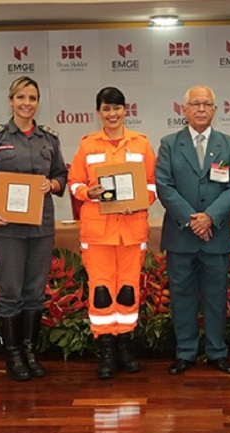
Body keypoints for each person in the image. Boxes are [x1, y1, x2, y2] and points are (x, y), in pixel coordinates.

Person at [0, 76, 67, 382]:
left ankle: (29, 351)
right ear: (11, 101)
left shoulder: (49, 139)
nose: (27, 103)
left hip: (40, 228)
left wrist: (50, 184)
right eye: (21, 97)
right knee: (10, 292)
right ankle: (12, 356)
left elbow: (61, 177)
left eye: (33, 98)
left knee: (35, 293)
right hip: (6, 228)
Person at [67, 87, 157, 379]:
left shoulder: (141, 144)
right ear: (98, 112)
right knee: (102, 291)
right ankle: (106, 349)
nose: (112, 114)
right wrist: (87, 192)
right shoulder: (87, 144)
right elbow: (73, 183)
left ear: (125, 110)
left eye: (117, 108)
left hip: (131, 230)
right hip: (98, 232)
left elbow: (153, 184)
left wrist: (141, 201)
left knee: (128, 290)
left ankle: (125, 346)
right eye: (106, 109)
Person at [156, 85, 230, 375]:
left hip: (215, 235)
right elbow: (164, 186)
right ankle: (186, 352)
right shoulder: (169, 143)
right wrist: (192, 219)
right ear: (184, 110)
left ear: (215, 110)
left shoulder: (228, 144)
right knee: (182, 297)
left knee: (217, 297)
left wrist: (210, 218)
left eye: (207, 104)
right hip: (181, 236)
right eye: (195, 104)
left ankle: (217, 351)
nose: (201, 109)